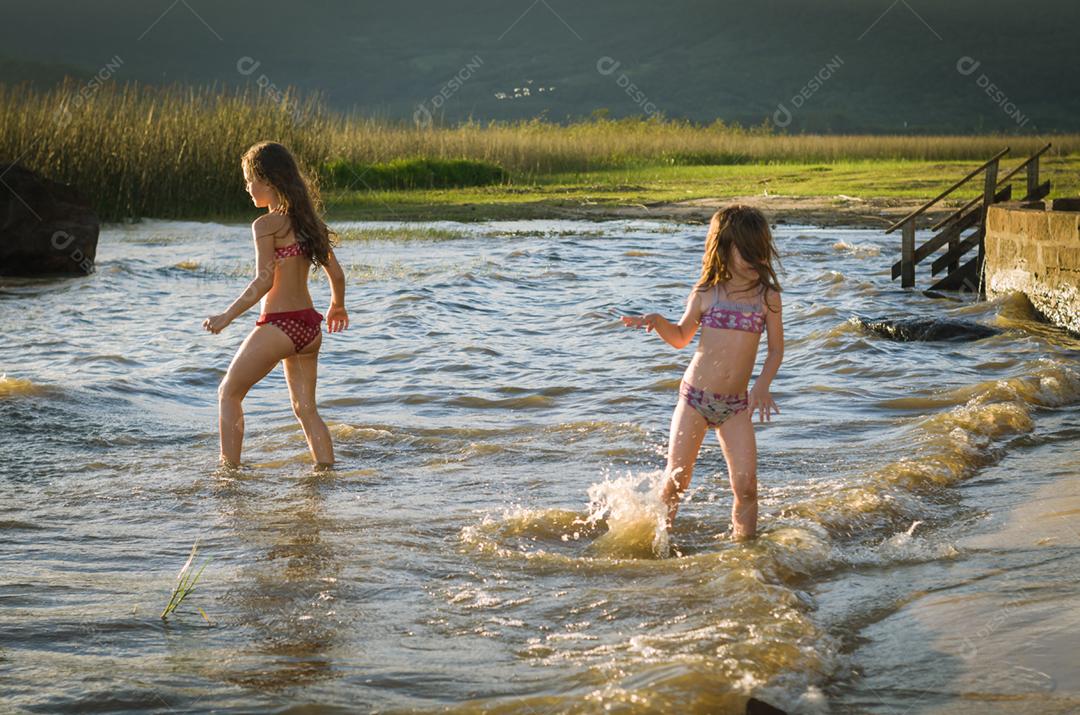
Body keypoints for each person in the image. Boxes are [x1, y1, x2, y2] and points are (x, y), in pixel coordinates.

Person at [622, 206, 783, 539]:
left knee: (747, 487)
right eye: (746, 252)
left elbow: (776, 350)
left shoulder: (767, 297)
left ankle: (745, 551)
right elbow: (681, 338)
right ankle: (658, 542)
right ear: (724, 247)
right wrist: (659, 322)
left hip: (736, 407)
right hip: (694, 398)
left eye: (760, 251)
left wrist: (762, 386)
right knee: (677, 480)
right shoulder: (706, 294)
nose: (755, 259)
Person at [203, 141, 349, 469]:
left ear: (268, 181)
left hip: (280, 326)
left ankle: (229, 475)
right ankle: (327, 476)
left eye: (249, 180)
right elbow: (337, 275)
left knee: (228, 392)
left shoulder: (266, 225)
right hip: (310, 329)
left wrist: (226, 316)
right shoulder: (310, 223)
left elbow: (264, 281)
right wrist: (337, 307)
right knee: (306, 410)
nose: (247, 188)